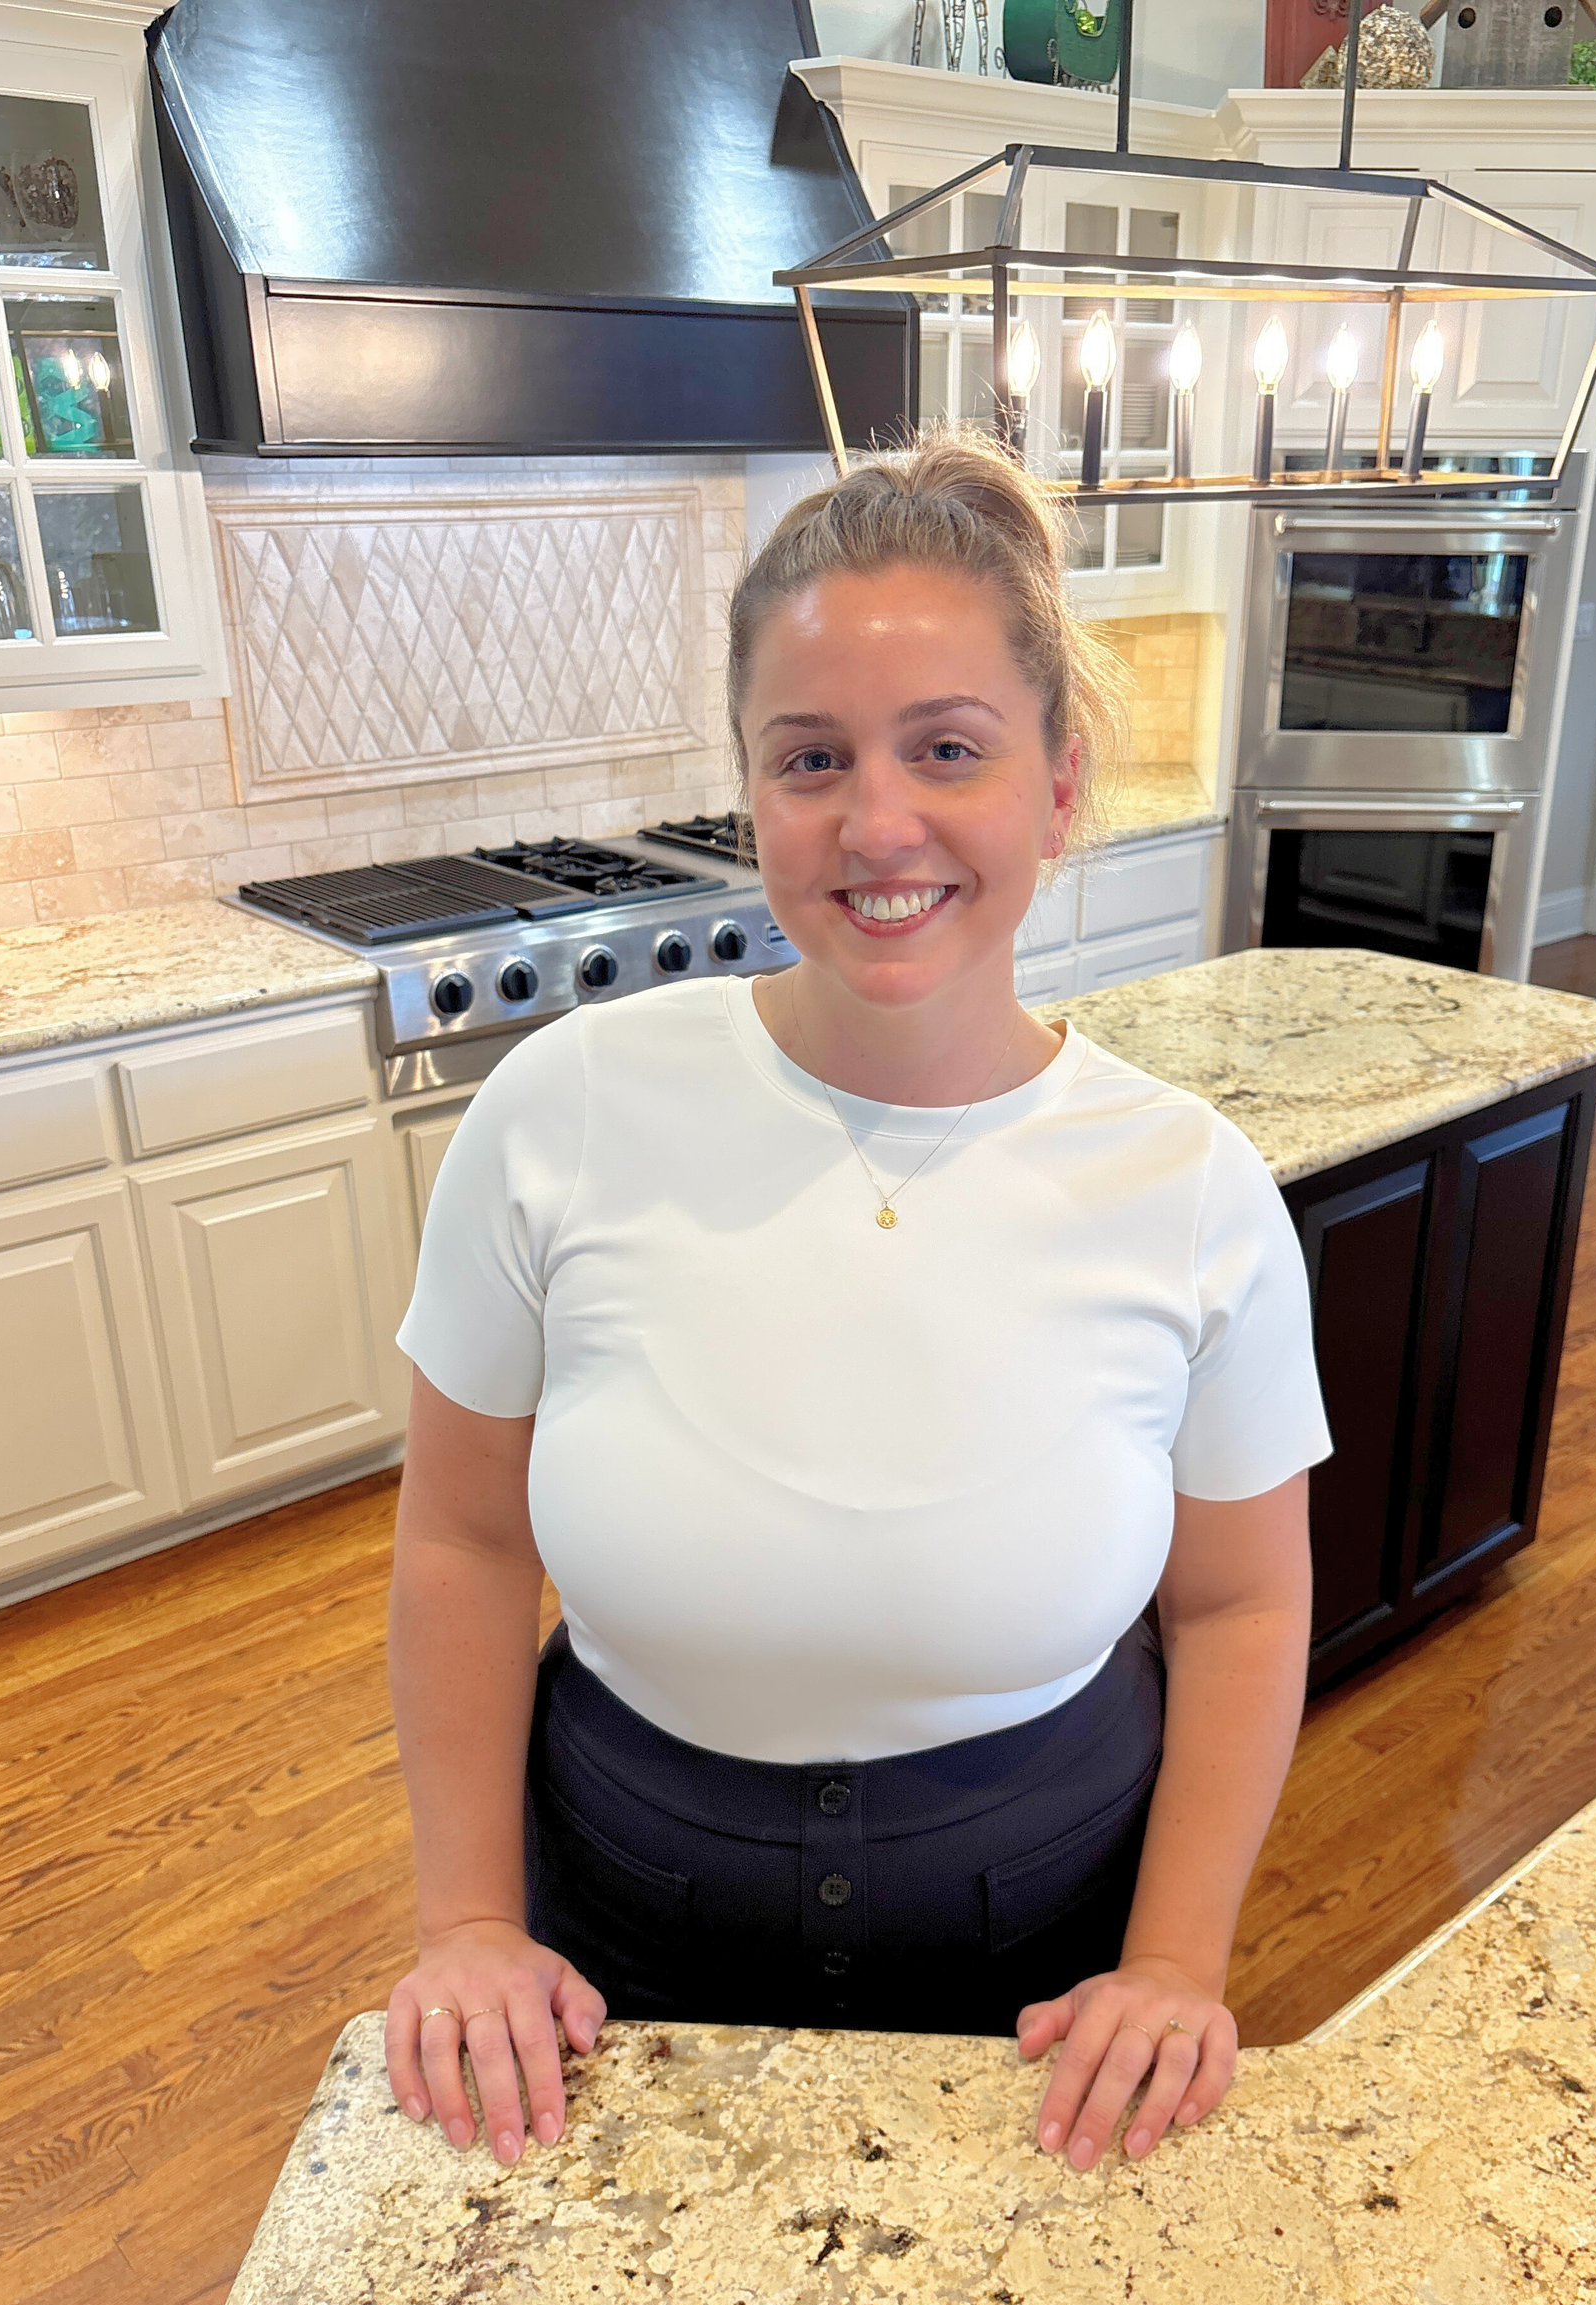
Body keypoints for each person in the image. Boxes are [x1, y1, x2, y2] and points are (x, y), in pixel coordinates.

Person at [383, 426, 1331, 2180]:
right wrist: (462, 1924)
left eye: (948, 749)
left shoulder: (1190, 1189)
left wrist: (1179, 1963)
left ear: (1058, 787)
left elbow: (1244, 1608)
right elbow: (458, 1541)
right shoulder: (565, 1110)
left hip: (1051, 1941)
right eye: (810, 757)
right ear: (753, 795)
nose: (876, 821)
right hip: (615, 1919)